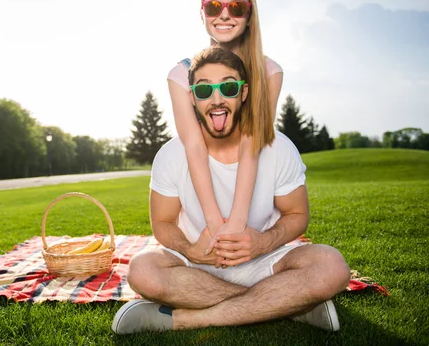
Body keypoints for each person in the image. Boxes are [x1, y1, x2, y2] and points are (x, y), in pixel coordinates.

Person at [111, 45, 350, 334]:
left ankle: (187, 319)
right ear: (192, 98)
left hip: (264, 262)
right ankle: (289, 306)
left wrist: (262, 243)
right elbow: (161, 223)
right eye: (203, 90)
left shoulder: (279, 147)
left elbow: (297, 214)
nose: (216, 99)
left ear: (244, 93)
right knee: (142, 271)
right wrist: (192, 250)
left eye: (227, 87)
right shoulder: (171, 154)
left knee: (332, 267)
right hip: (194, 267)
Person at [167, 0, 283, 251]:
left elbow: (251, 143)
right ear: (203, 13)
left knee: (327, 266)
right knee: (146, 270)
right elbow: (194, 146)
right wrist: (216, 224)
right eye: (214, 7)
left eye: (237, 7)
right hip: (202, 192)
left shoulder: (269, 73)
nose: (225, 15)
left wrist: (237, 224)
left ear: (249, 15)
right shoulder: (181, 75)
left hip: (252, 190)